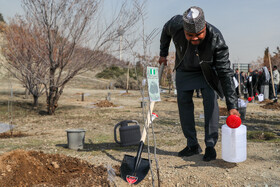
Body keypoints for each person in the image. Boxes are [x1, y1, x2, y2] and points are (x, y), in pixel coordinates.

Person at [158, 6, 239, 161]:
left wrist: (232, 106)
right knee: (183, 103)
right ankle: (192, 144)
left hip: (206, 71)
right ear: (184, 29)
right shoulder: (175, 24)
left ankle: (210, 146)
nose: (194, 38)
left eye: (199, 34)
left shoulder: (216, 38)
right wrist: (163, 53)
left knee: (211, 101)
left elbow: (225, 73)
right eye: (190, 35)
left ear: (205, 27)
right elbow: (165, 31)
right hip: (184, 68)